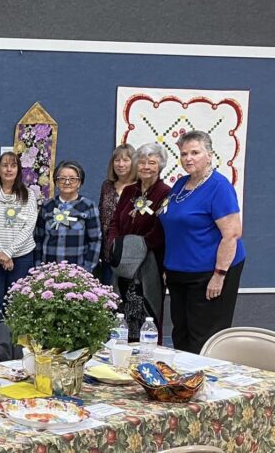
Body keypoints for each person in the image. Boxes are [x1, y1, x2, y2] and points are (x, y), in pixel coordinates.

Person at [159, 131, 245, 354]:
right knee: (181, 333)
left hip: (209, 274)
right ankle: (183, 385)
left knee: (203, 337)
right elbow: (175, 227)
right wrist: (170, 266)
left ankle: (204, 384)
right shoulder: (180, 184)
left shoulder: (219, 186)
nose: (188, 158)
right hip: (180, 272)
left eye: (195, 152)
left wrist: (219, 275)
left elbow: (232, 234)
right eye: (184, 153)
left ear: (209, 155)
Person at [108, 143, 171, 342]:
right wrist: (114, 246)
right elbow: (115, 221)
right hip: (123, 264)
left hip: (148, 262)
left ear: (160, 166)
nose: (145, 167)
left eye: (151, 163)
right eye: (142, 162)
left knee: (147, 312)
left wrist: (136, 251)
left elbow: (160, 229)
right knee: (121, 311)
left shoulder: (165, 193)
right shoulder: (129, 192)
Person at [0, 152, 39, 327]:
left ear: (18, 170)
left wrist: (8, 252)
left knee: (16, 303)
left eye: (13, 165)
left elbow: (28, 227)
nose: (8, 169)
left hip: (21, 257)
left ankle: (14, 345)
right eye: (4, 165)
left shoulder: (28, 196)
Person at [34, 160, 102, 272]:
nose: (67, 182)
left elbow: (95, 241)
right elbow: (38, 239)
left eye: (72, 179)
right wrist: (39, 267)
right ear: (56, 182)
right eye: (62, 179)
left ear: (80, 182)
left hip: (77, 272)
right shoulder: (47, 206)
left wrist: (86, 270)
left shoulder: (88, 206)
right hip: (48, 271)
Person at [98, 144, 136, 283]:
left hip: (131, 252)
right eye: (117, 160)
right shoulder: (107, 186)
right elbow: (101, 214)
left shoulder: (140, 187)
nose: (121, 164)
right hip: (108, 250)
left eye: (126, 160)